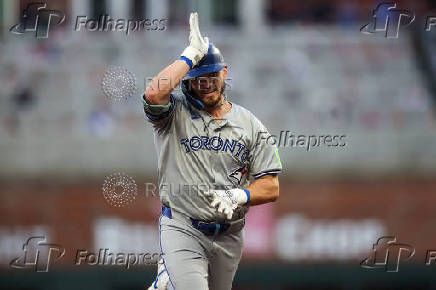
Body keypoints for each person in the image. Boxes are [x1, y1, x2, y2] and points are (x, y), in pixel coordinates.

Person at [144, 12, 282, 290]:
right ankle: (172, 278)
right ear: (188, 81)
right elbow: (153, 95)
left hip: (229, 235)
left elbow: (271, 186)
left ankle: (168, 282)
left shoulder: (250, 124)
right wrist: (189, 57)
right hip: (182, 226)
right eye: (198, 79)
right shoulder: (175, 114)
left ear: (225, 73)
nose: (207, 84)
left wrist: (240, 194)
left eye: (212, 76)